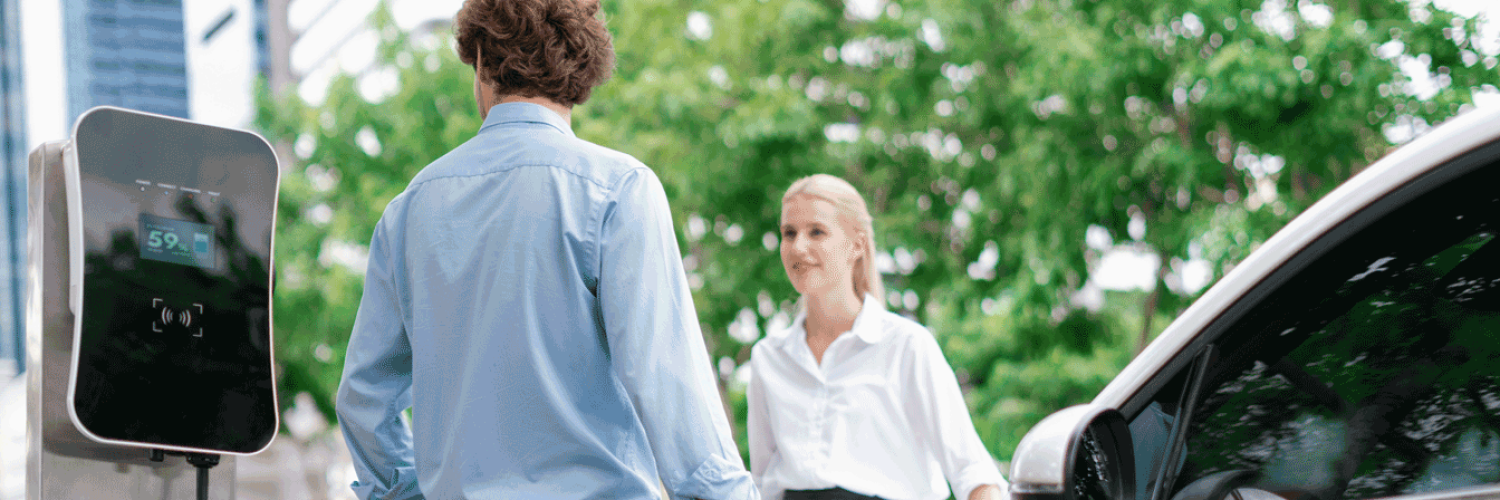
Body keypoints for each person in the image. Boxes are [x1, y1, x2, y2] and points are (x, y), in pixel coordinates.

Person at [334, 1, 757, 498]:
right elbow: (665, 381)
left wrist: (404, 492)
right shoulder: (618, 189)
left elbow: (365, 398)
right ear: (582, 70)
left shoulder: (409, 210)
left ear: (479, 60)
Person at [747, 174, 1008, 500]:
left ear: (856, 245)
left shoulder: (907, 345)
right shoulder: (768, 358)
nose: (798, 247)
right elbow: (761, 482)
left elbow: (972, 470)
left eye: (817, 231)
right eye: (789, 233)